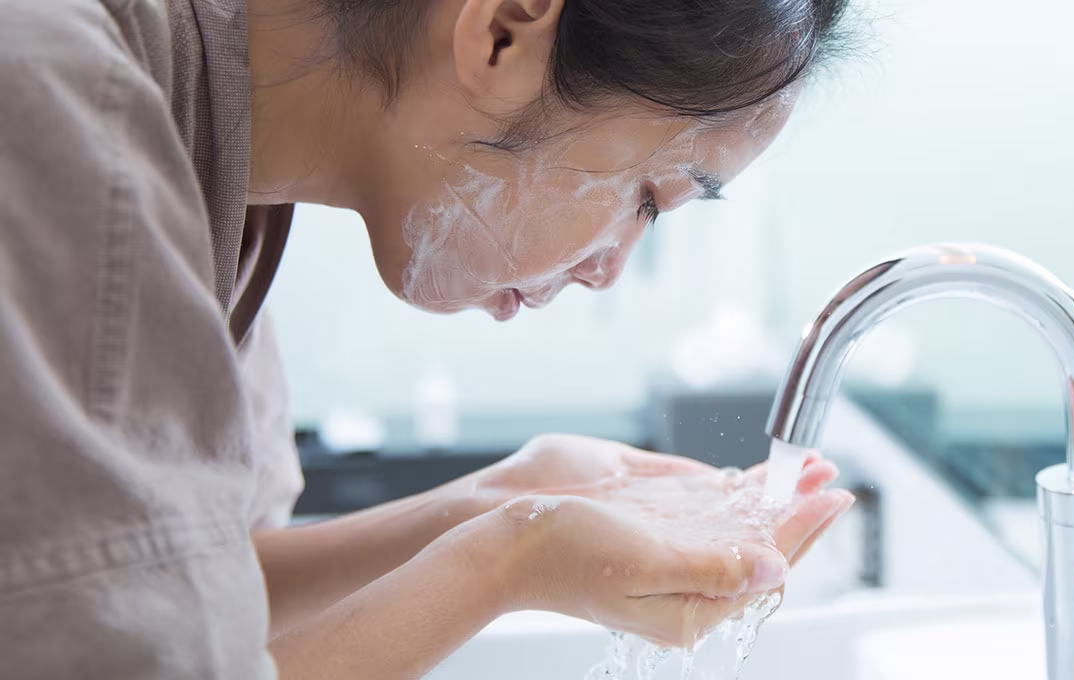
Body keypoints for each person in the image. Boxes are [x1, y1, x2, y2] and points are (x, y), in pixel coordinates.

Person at [0, 0, 855, 677]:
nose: (609, 271)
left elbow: (171, 601)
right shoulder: (55, 102)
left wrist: (501, 500)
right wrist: (507, 560)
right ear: (501, 33)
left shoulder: (221, 170)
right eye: (645, 197)